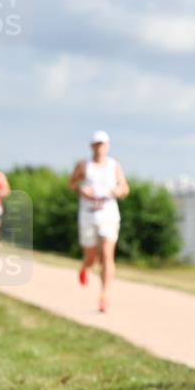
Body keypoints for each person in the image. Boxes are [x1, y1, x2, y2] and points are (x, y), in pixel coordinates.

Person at [69, 130, 130, 313]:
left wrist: (118, 191)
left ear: (107, 146)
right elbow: (71, 183)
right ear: (91, 146)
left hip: (108, 215)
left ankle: (104, 296)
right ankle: (85, 267)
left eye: (102, 144)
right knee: (91, 256)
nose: (99, 147)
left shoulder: (114, 166)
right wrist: (81, 190)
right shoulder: (84, 165)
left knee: (107, 254)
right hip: (88, 215)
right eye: (96, 144)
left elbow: (125, 188)